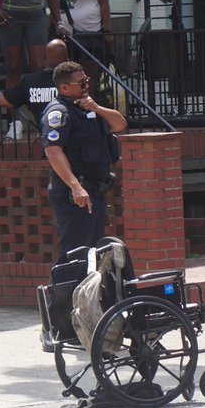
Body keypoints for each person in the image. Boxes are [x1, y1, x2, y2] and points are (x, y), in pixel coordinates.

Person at [41, 60, 127, 262]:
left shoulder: (88, 108)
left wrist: (97, 107)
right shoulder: (59, 112)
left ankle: (86, 293)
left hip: (95, 192)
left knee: (92, 254)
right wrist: (76, 187)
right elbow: (53, 152)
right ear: (64, 87)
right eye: (81, 83)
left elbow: (120, 124)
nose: (87, 85)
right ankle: (65, 293)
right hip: (75, 196)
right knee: (75, 254)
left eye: (87, 80)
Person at [0, 38, 68, 136]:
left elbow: (2, 101)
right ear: (66, 59)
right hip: (71, 136)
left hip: (47, 135)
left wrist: (27, 99)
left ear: (43, 56)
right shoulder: (72, 80)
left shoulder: (30, 80)